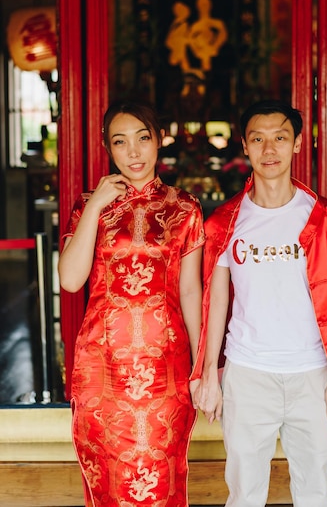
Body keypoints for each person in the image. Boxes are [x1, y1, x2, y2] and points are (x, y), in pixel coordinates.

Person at [192, 99, 327, 507]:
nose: (269, 150)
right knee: (244, 496)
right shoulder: (224, 223)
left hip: (313, 378)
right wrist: (210, 373)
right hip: (247, 376)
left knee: (315, 495)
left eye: (280, 138)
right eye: (258, 139)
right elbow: (215, 302)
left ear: (297, 144)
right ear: (244, 146)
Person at [58, 99, 205, 507]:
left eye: (143, 139)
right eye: (120, 142)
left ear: (159, 141)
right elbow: (70, 280)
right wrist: (94, 207)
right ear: (109, 149)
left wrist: (200, 366)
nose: (134, 152)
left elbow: (191, 291)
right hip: (102, 369)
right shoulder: (88, 206)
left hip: (165, 369)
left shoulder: (184, 208)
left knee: (161, 477)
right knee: (108, 479)